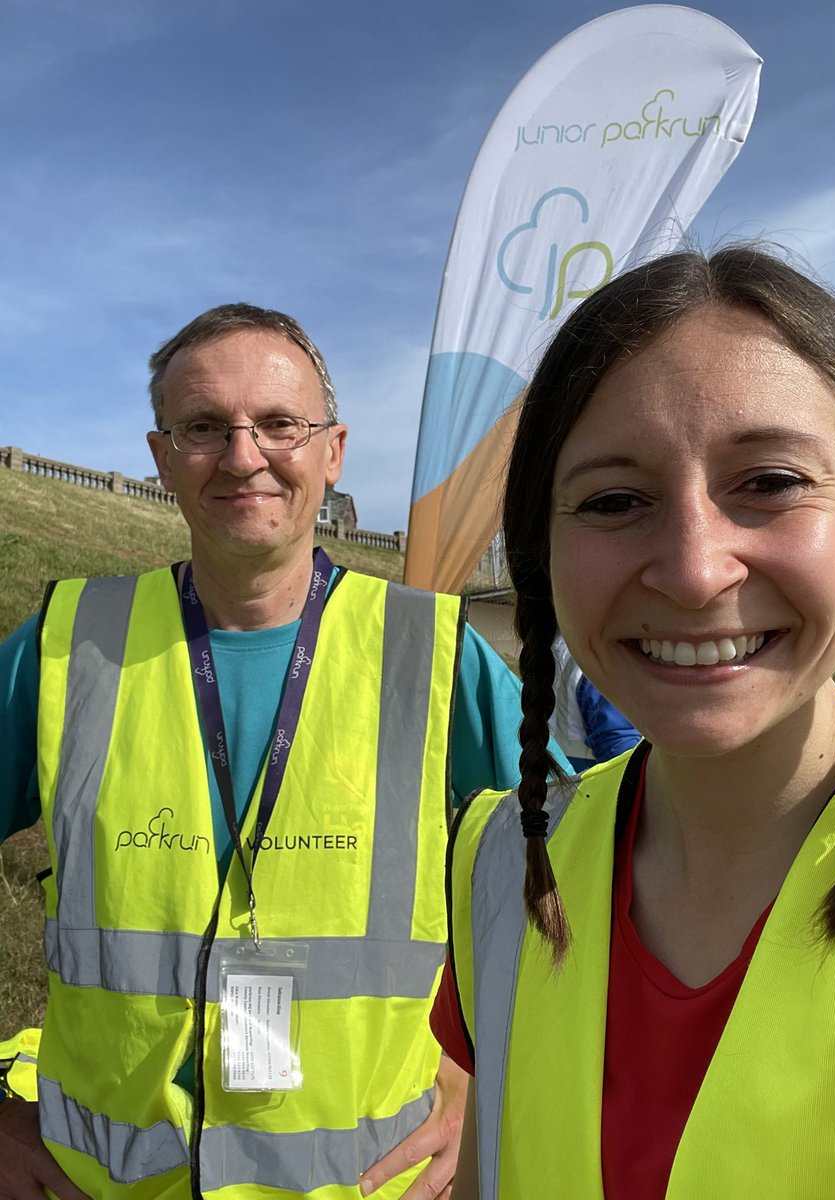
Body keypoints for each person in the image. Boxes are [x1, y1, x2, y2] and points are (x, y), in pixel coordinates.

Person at [0, 303, 571, 1200]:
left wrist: (484, 1074)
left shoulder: (431, 654)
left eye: (279, 424)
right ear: (161, 458)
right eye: (203, 427)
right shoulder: (67, 645)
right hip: (102, 1184)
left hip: (363, 1185)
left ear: (332, 451)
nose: (243, 456)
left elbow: (573, 894)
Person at [433, 246, 835, 1198]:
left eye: (771, 482)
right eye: (614, 500)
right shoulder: (501, 865)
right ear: (542, 556)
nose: (693, 572)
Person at [548, 634, 640, 770]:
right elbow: (620, 754)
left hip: (556, 771)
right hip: (592, 775)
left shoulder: (554, 648)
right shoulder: (600, 659)